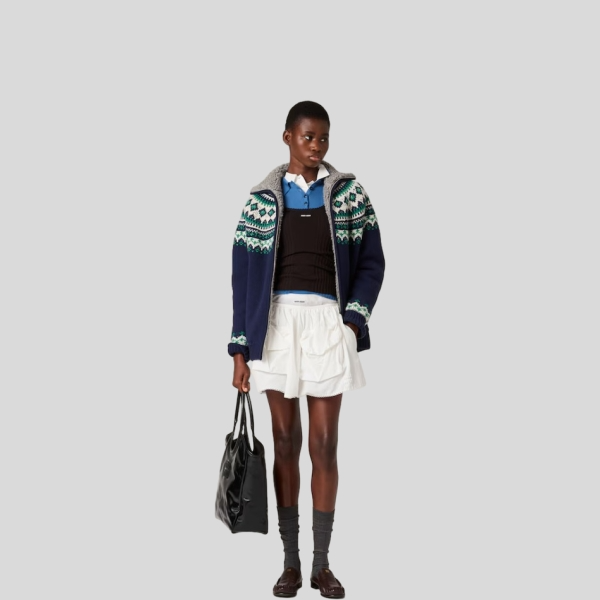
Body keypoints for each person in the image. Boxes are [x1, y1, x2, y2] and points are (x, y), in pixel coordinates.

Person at [228, 100, 385, 598]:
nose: (317, 146)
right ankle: (290, 563)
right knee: (284, 441)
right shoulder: (260, 200)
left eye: (323, 138)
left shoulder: (349, 194)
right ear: (288, 138)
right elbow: (242, 277)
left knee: (324, 443)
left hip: (327, 325)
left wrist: (352, 322)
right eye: (308, 137)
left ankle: (322, 564)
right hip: (275, 327)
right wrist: (239, 347)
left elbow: (373, 262)